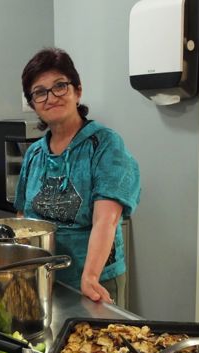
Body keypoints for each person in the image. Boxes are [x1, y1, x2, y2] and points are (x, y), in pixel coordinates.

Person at [15, 47, 140, 306]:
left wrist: (90, 276)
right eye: (40, 92)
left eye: (60, 86)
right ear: (33, 104)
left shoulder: (104, 144)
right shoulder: (34, 154)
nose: (51, 97)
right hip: (42, 278)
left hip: (95, 279)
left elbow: (106, 219)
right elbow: (22, 219)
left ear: (78, 90)